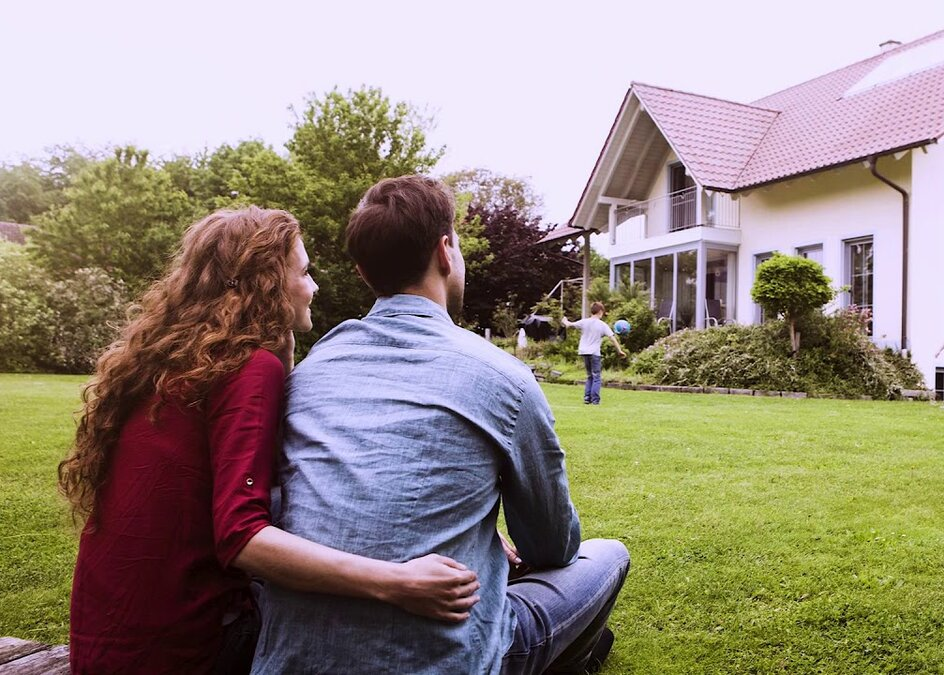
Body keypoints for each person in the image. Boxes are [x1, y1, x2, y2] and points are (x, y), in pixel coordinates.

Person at [61, 207, 481, 675]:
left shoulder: (172, 361)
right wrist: (397, 582)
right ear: (265, 285)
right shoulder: (246, 369)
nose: (314, 287)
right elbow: (243, 540)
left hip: (106, 644)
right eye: (304, 272)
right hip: (185, 649)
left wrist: (284, 355)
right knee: (349, 623)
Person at [254, 176, 630, 675]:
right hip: (443, 657)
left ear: (364, 273)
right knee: (606, 555)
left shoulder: (314, 369)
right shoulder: (502, 377)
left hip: (292, 661)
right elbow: (551, 545)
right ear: (445, 251)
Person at [561, 302, 626, 405]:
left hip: (584, 351)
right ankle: (595, 400)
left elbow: (569, 325)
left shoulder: (584, 322)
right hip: (594, 353)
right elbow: (612, 339)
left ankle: (587, 398)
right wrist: (619, 351)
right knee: (596, 376)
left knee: (589, 375)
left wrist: (565, 320)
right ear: (600, 312)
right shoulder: (602, 325)